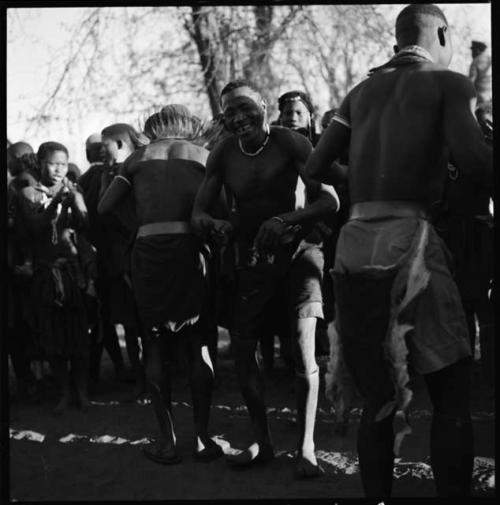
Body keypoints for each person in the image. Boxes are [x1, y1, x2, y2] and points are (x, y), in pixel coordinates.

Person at [305, 4, 492, 497]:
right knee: (451, 395)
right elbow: (475, 165)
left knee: (379, 395)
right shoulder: (448, 83)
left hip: (356, 240)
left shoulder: (361, 90)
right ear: (444, 34)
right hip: (412, 240)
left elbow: (315, 169)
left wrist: (368, 184)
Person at [192, 80, 339, 477]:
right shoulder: (222, 152)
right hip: (253, 258)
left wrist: (286, 220)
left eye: (245, 107)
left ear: (261, 104)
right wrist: (215, 225)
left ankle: (306, 447)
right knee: (242, 351)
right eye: (229, 113)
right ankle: (263, 441)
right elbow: (199, 212)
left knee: (305, 350)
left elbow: (329, 199)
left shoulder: (291, 143)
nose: (238, 118)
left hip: (300, 254)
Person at [98, 105, 224, 465]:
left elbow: (105, 207)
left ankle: (166, 442)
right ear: (190, 127)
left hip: (148, 251)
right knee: (199, 342)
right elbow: (224, 208)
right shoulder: (204, 155)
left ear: (152, 128)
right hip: (190, 250)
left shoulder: (137, 158)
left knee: (153, 344)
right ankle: (202, 439)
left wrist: (139, 223)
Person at [17, 142, 92, 414]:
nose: (59, 168)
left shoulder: (73, 189)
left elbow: (85, 224)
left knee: (79, 337)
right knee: (52, 337)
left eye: (63, 163)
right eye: (53, 163)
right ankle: (64, 392)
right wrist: (55, 204)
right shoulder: (28, 193)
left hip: (73, 273)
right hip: (46, 274)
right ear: (39, 163)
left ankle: (82, 392)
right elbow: (37, 227)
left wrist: (77, 201)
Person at [79, 131, 138, 387]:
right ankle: (133, 372)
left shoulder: (117, 174)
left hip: (112, 256)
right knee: (129, 320)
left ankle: (127, 370)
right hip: (117, 256)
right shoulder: (99, 178)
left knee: (117, 319)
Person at [98, 123, 148, 398]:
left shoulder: (135, 170)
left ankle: (153, 378)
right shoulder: (111, 172)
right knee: (130, 325)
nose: (100, 149)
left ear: (118, 144)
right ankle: (141, 379)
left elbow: (110, 209)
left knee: (146, 324)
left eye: (104, 144)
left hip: (140, 252)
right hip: (122, 259)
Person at [469, 40, 492, 112]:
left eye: (473, 51)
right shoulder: (490, 59)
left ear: (478, 50)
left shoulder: (476, 61)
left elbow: (470, 82)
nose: (471, 54)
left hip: (480, 98)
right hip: (490, 97)